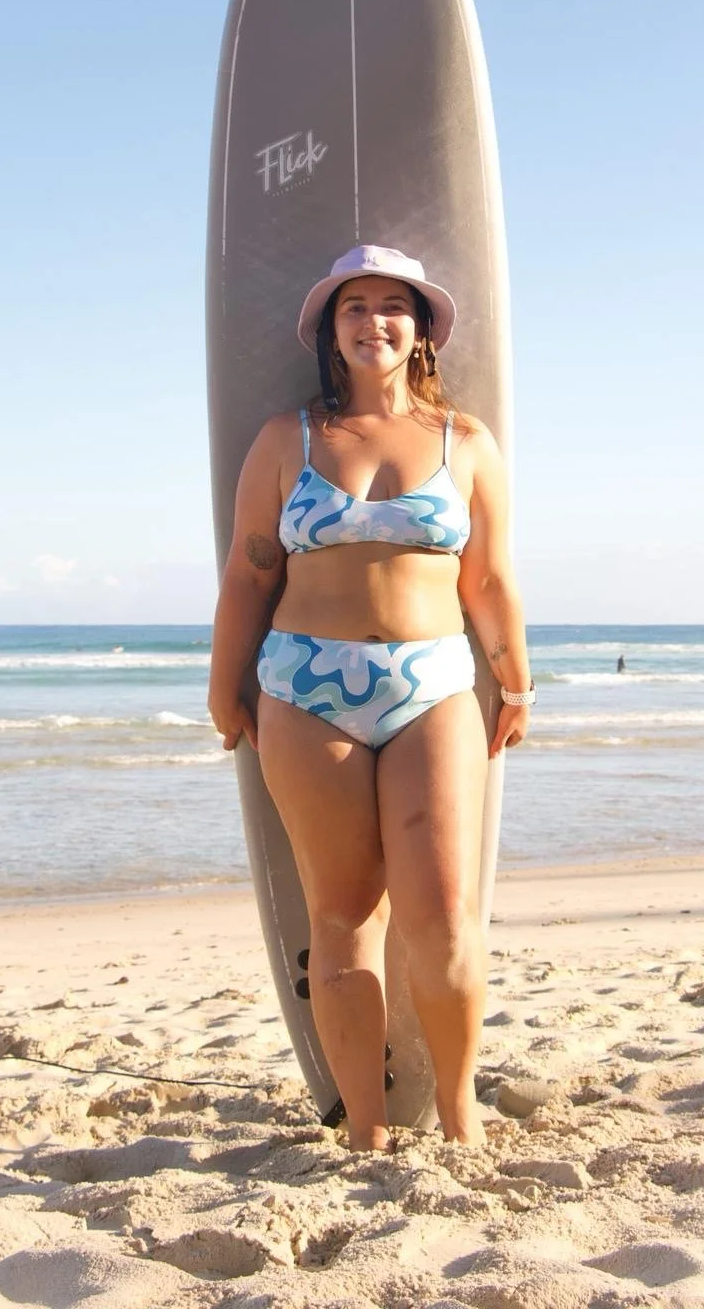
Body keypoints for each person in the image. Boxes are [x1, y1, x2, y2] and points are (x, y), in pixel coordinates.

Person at [208, 245, 532, 1150]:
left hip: (431, 684)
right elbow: (248, 573)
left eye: (395, 305)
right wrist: (221, 683)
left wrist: (516, 678)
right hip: (304, 685)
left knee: (441, 914)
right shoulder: (288, 439)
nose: (373, 320)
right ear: (330, 329)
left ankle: (463, 1116)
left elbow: (491, 578)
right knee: (342, 917)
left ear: (421, 329)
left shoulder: (465, 441)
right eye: (354, 306)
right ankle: (365, 1129)